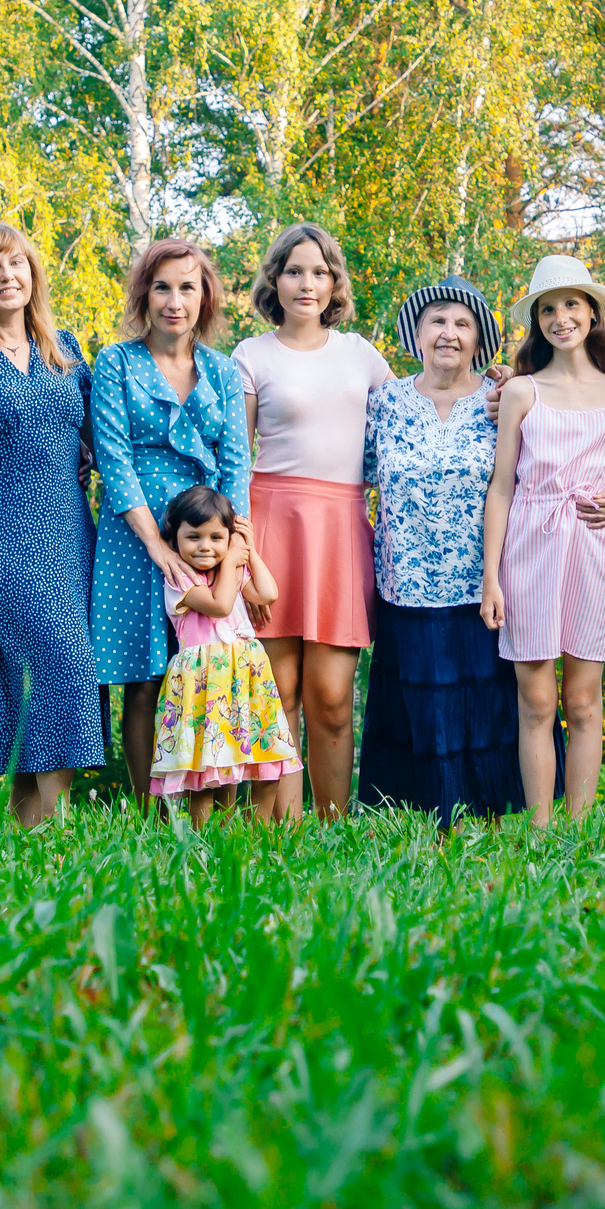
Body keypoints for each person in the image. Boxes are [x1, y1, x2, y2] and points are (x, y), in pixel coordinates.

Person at [357, 276, 532, 827]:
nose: (448, 334)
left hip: (484, 585)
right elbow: (356, 478)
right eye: (437, 321)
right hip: (404, 585)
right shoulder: (384, 401)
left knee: (488, 708)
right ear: (416, 332)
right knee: (419, 708)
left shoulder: (505, 399)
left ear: (480, 338)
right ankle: (416, 823)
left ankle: (493, 822)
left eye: (462, 323)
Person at [231, 224, 392, 819]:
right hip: (271, 526)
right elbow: (234, 457)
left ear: (334, 283)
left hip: (341, 529)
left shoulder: (361, 355)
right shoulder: (251, 355)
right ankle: (278, 828)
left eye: (320, 272)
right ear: (275, 278)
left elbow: (420, 419)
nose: (307, 283)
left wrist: (496, 390)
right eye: (295, 270)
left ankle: (333, 823)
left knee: (331, 697)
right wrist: (239, 554)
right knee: (277, 693)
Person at [0, 220, 105, 831]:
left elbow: (98, 438)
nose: (6, 276)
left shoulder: (64, 347)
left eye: (16, 263)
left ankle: (22, 829)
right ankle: (57, 823)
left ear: (33, 273)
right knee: (57, 661)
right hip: (1, 529)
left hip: (72, 527)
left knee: (42, 670)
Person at [89, 239, 251, 795]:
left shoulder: (223, 372)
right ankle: (147, 809)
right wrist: (155, 544)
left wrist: (235, 553)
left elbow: (236, 464)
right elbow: (112, 456)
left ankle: (209, 801)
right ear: (144, 294)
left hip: (207, 538)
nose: (174, 301)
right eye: (162, 287)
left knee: (209, 669)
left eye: (188, 287)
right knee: (145, 677)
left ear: (205, 297)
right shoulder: (116, 362)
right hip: (133, 536)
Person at [481, 255, 605, 826]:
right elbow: (501, 488)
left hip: (592, 547)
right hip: (529, 545)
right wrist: (490, 577)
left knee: (583, 700)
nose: (560, 317)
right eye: (548, 308)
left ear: (592, 312)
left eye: (571, 304)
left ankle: (579, 827)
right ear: (536, 321)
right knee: (537, 700)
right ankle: (542, 830)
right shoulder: (522, 392)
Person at [145, 485, 301, 823]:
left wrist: (249, 551)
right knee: (206, 770)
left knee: (267, 756)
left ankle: (259, 835)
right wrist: (231, 560)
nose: (205, 546)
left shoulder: (230, 568)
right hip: (204, 683)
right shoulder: (179, 579)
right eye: (194, 537)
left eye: (217, 537)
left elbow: (267, 593)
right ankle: (204, 839)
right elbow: (219, 605)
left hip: (247, 674)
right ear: (175, 540)